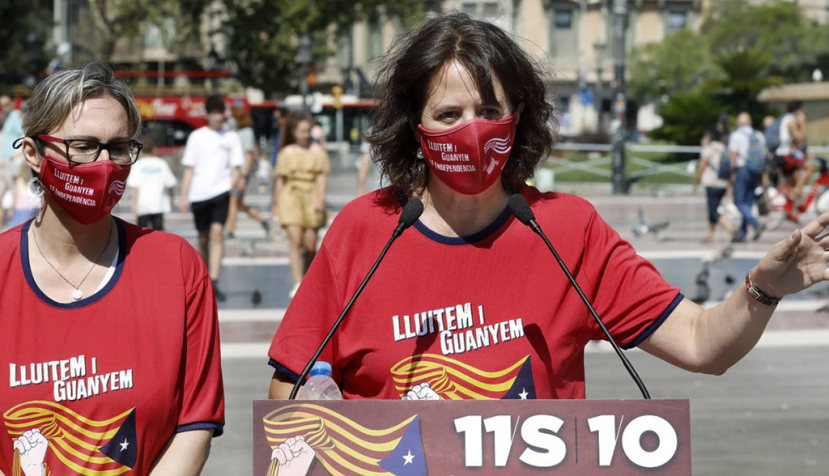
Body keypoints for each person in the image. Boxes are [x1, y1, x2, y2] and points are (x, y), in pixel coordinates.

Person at [266, 13, 829, 403]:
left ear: (520, 117)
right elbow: (288, 386)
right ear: (414, 130)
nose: (471, 130)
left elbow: (703, 344)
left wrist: (763, 289)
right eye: (448, 114)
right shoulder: (364, 230)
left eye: (490, 109)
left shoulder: (568, 228)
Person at [0, 63, 223, 476]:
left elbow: (194, 425)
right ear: (33, 153)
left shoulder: (175, 265)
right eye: (82, 145)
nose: (104, 164)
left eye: (118, 147)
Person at [179, 95, 243, 301]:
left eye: (221, 112)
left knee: (217, 233)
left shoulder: (232, 137)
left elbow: (236, 167)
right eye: (214, 112)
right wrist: (183, 195)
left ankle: (215, 280)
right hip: (199, 193)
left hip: (221, 191)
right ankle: (205, 275)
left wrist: (232, 186)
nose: (219, 116)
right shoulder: (197, 137)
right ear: (207, 114)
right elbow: (189, 168)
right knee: (203, 237)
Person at [270, 111, 330, 298]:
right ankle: (298, 282)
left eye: (308, 130)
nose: (306, 134)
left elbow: (321, 176)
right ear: (294, 132)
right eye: (302, 131)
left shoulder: (317, 151)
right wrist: (276, 203)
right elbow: (280, 179)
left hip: (311, 194)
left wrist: (320, 198)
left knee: (310, 244)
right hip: (291, 196)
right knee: (295, 241)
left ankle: (308, 278)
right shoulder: (286, 152)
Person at [225, 105, 269, 239]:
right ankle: (262, 220)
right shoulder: (235, 131)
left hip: (241, 173)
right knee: (237, 204)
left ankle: (230, 231)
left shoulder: (246, 132)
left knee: (232, 201)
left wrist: (243, 176)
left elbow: (249, 155)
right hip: (233, 173)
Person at [728, 112, 766, 242]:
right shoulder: (758, 135)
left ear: (739, 122)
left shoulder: (736, 135)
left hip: (742, 169)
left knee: (738, 202)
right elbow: (763, 155)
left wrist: (731, 173)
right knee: (748, 203)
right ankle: (743, 233)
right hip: (755, 171)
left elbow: (733, 154)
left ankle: (755, 223)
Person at [693, 127, 734, 242]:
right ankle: (710, 235)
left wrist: (696, 181)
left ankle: (729, 227)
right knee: (714, 209)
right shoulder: (723, 147)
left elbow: (702, 166)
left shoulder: (709, 149)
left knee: (713, 211)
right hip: (723, 183)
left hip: (712, 183)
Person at [127, 135, 177, 230]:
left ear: (141, 150)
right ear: (154, 149)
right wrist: (172, 198)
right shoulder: (161, 163)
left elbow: (135, 186)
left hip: (142, 205)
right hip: (158, 204)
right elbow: (170, 183)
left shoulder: (138, 165)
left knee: (142, 234)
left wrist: (133, 203)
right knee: (158, 234)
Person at [774, 101, 814, 221]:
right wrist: (802, 124)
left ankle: (791, 211)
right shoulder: (791, 120)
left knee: (794, 183)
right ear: (798, 111)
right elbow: (800, 139)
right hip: (785, 155)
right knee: (809, 168)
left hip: (784, 156)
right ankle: (797, 190)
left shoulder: (787, 119)